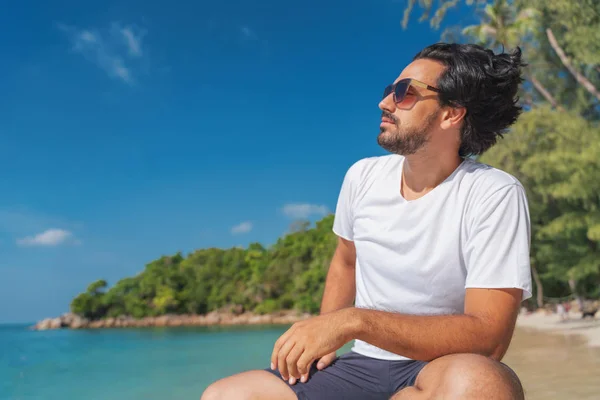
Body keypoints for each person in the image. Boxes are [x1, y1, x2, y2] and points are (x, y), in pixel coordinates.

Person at [201, 42, 532, 400]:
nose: (385, 102)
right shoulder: (362, 177)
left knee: (482, 384)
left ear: (451, 115)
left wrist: (352, 321)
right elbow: (346, 261)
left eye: (405, 93)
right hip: (361, 367)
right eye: (390, 90)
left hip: (439, 367)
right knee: (227, 395)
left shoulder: (493, 193)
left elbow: (489, 338)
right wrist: (323, 339)